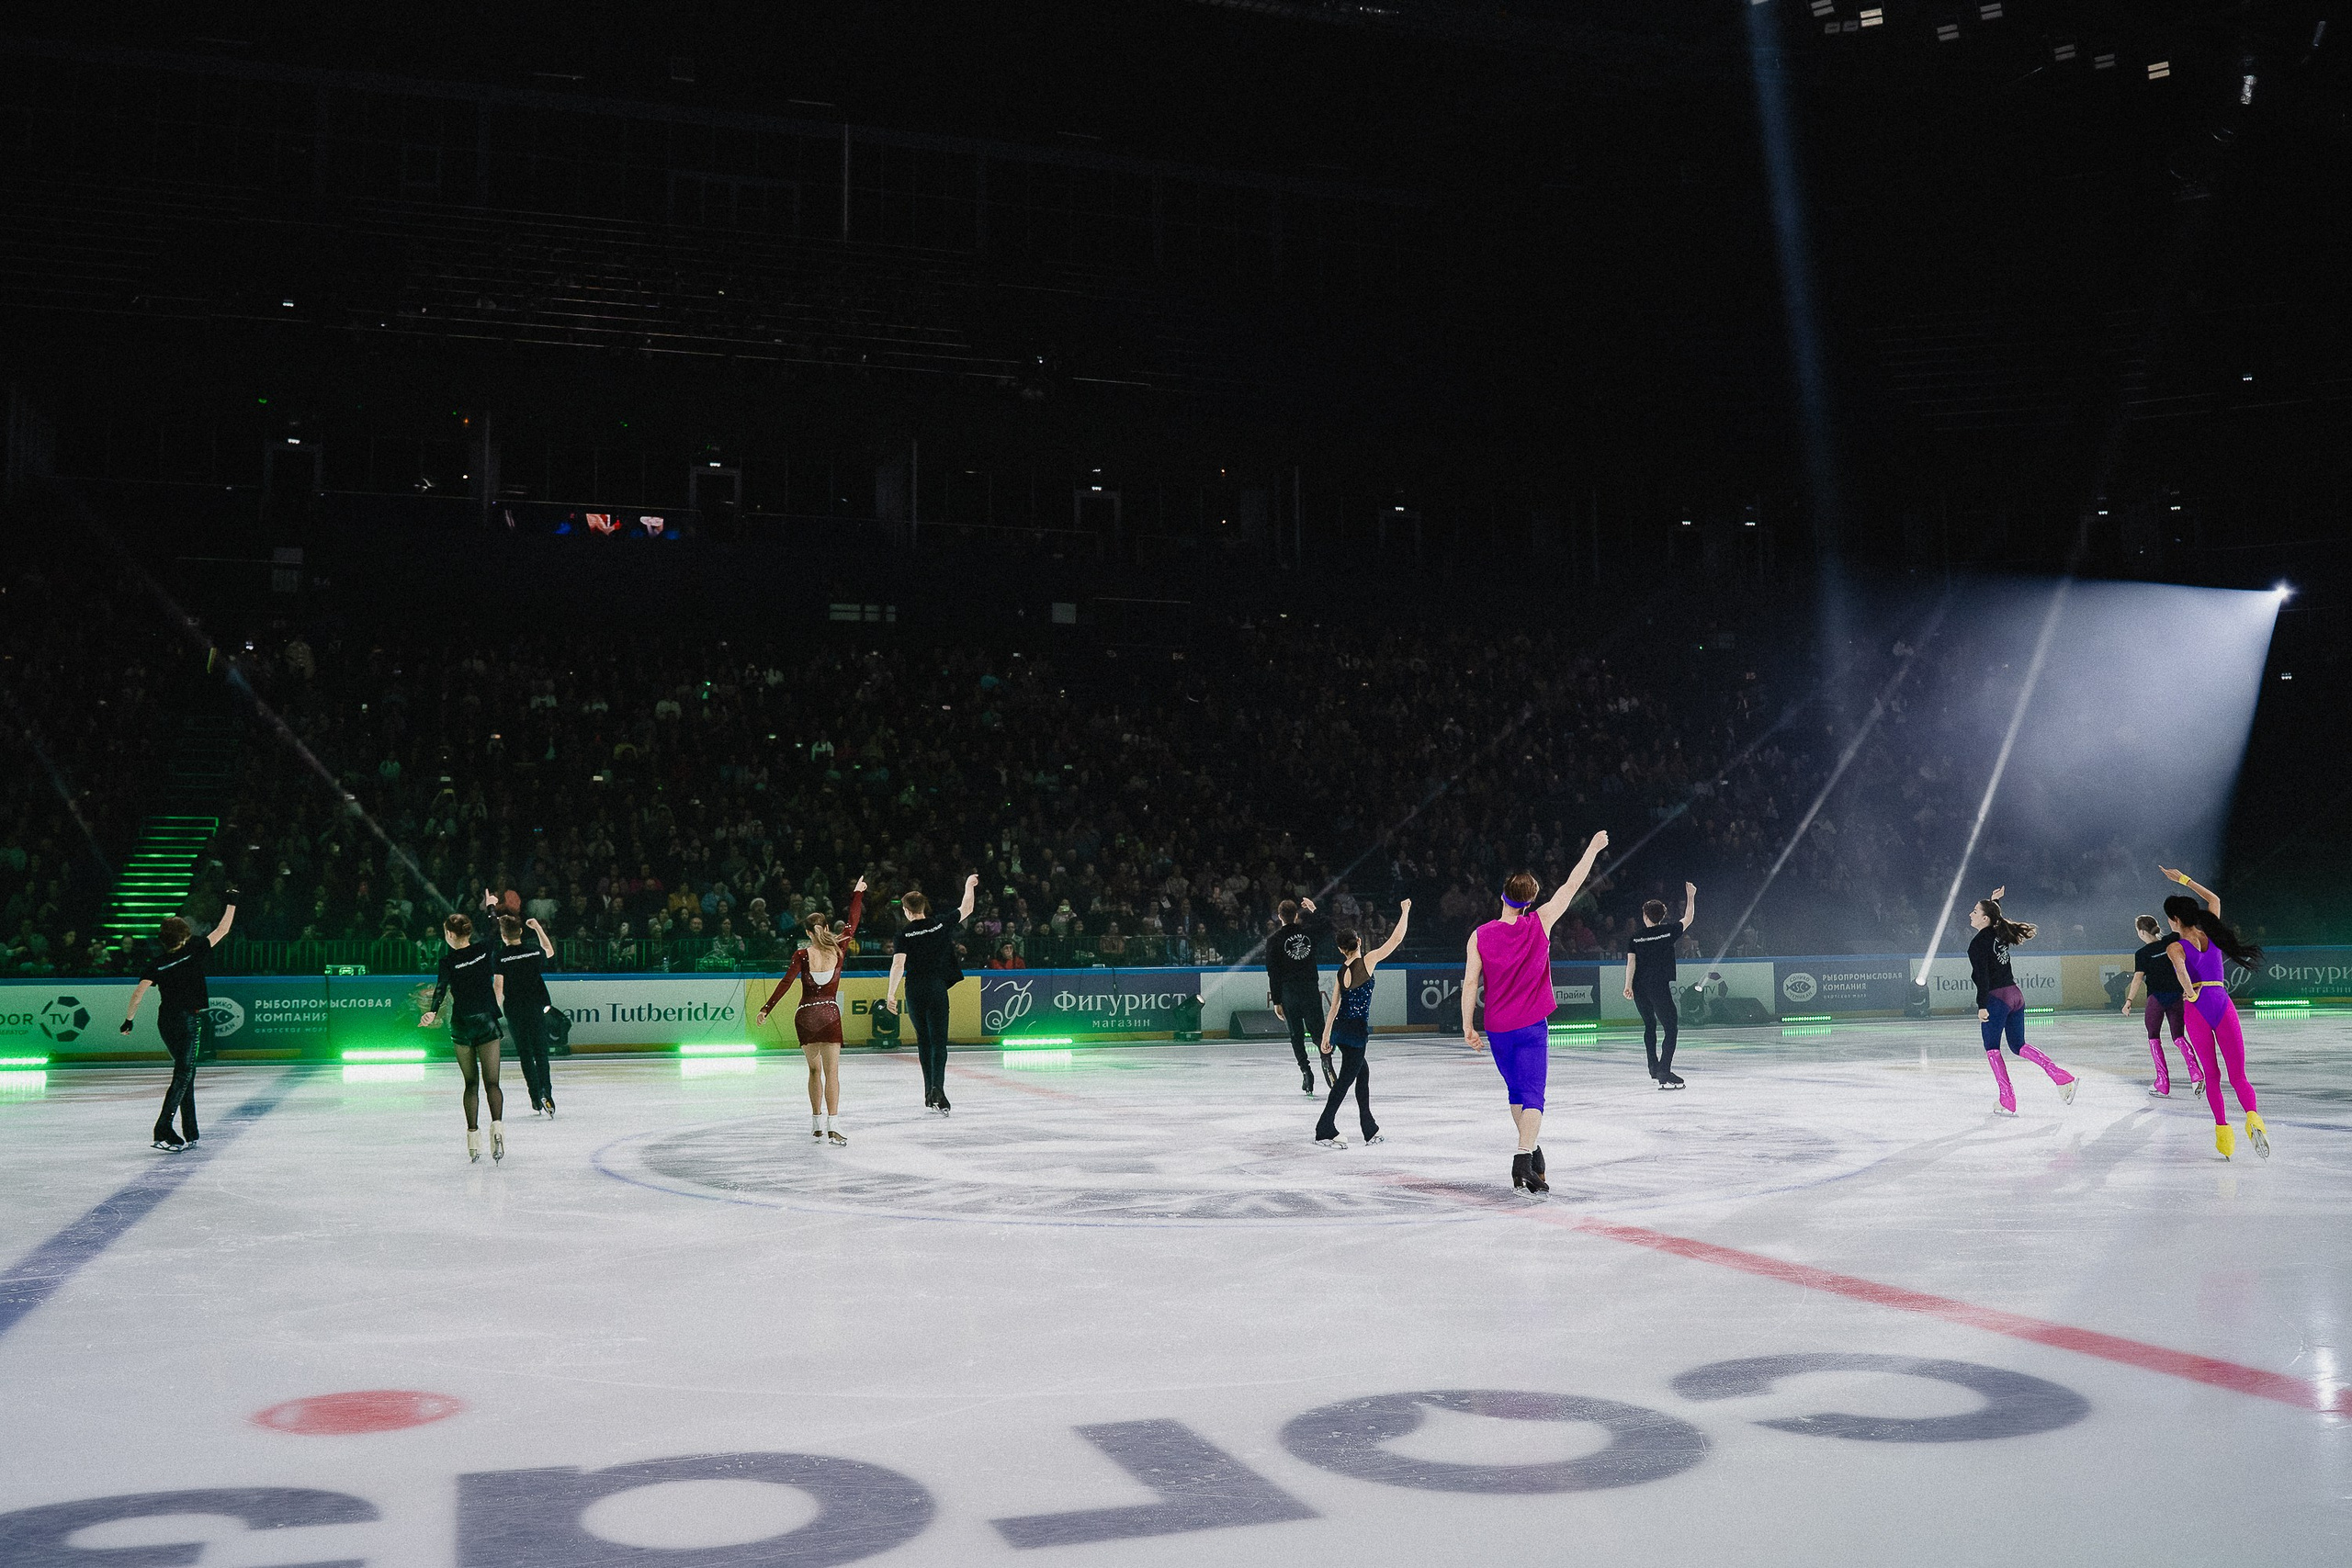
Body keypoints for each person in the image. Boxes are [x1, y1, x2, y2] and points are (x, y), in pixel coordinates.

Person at [1462, 830, 1610, 1194]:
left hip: (1497, 1028)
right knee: (1533, 1096)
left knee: (1517, 1092)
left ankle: (1532, 1151)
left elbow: (1469, 984)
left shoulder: (1479, 936)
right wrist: (1591, 848)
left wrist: (1467, 1025)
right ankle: (1523, 1159)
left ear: (1502, 895)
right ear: (1530, 901)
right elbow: (1573, 884)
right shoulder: (1540, 922)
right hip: (1530, 1027)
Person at [2157, 866, 2267, 1159]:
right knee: (2238, 1076)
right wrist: (2183, 879)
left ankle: (2223, 1133)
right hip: (2221, 1001)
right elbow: (2214, 899)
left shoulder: (2175, 946)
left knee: (2213, 1074)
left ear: (2175, 920)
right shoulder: (2213, 934)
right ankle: (2253, 1119)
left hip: (2197, 1010)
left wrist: (2191, 994)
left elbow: (2181, 971)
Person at [118, 893, 236, 1151]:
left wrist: (129, 1021)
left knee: (187, 1074)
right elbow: (223, 929)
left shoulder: (157, 964)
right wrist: (231, 902)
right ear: (183, 937)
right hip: (189, 1022)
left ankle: (191, 1131)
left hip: (166, 1022)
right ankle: (163, 1129)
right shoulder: (195, 948)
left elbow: (138, 993)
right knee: (184, 1074)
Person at [756, 875, 866, 1145]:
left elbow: (785, 982)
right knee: (832, 1074)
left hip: (805, 1015)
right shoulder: (839, 948)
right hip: (829, 1014)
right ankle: (833, 1126)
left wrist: (766, 1009)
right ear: (827, 927)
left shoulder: (802, 955)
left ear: (807, 933)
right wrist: (857, 894)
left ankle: (816, 1124)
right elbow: (852, 923)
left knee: (814, 1072)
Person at [1967, 887, 2076, 1116]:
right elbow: (1995, 918)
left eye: (1975, 911)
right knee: (2018, 1046)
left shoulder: (1977, 944)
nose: (1971, 914)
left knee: (1992, 1049)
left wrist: (1982, 1005)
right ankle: (2060, 1077)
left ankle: (2008, 1099)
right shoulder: (1999, 932)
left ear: (1985, 918)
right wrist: (1992, 901)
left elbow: (1981, 977)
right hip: (2015, 995)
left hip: (1996, 999)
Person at [1314, 900, 1411, 1148]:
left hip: (1341, 1031)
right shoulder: (1367, 961)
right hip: (1356, 1034)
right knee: (1345, 1081)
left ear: (1340, 949)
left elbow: (1334, 1007)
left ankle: (1370, 1128)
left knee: (1362, 1074)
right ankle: (1324, 1128)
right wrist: (1405, 911)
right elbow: (1396, 940)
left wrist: (1327, 1036)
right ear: (1358, 942)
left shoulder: (1340, 971)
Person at [421, 893, 506, 1161]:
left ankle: (473, 1139)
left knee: (471, 1084)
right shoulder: (483, 950)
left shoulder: (447, 961)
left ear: (448, 934)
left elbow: (440, 989)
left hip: (462, 1025)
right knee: (492, 1083)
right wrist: (490, 905)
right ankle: (498, 1131)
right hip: (486, 1022)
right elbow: (495, 926)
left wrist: (432, 1012)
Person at [886, 873, 978, 1113]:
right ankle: (939, 1088)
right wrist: (968, 885)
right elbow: (966, 908)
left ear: (906, 910)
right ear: (924, 906)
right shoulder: (939, 924)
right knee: (939, 1042)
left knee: (924, 1042)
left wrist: (891, 994)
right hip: (936, 988)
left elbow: (898, 965)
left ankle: (929, 1093)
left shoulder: (903, 935)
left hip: (914, 989)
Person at [1622, 883, 1697, 1089]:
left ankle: (1653, 1067)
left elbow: (1631, 962)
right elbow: (1688, 919)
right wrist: (1691, 895)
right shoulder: (1667, 932)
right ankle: (1664, 1070)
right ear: (1661, 916)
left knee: (1649, 1026)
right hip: (1658, 987)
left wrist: (1628, 985)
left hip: (1639, 987)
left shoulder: (1635, 937)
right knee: (1671, 1028)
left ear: (1646, 916)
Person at [2120, 913, 2199, 1100]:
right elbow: (2182, 931)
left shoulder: (2142, 954)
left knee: (2153, 1038)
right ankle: (2196, 1074)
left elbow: (2138, 979)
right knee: (2179, 1036)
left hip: (2156, 999)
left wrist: (2129, 1001)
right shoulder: (2170, 941)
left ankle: (2163, 1083)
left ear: (2141, 932)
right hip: (2176, 997)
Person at [1264, 896, 1334, 1094]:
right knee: (1318, 1032)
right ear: (1296, 915)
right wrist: (1313, 909)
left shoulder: (1274, 940)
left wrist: (1277, 1000)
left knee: (1296, 1034)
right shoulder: (1308, 933)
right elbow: (1328, 925)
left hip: (1289, 992)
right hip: (1310, 989)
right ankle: (1326, 1061)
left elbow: (1273, 972)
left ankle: (1306, 1072)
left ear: (1279, 917)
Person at [497, 909, 559, 1117]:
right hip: (535, 1006)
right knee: (541, 1052)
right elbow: (549, 950)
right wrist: (538, 928)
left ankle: (534, 1096)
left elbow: (498, 987)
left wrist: (495, 1013)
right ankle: (546, 1092)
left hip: (514, 1009)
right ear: (521, 931)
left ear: (503, 936)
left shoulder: (501, 957)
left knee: (525, 1054)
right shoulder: (533, 951)